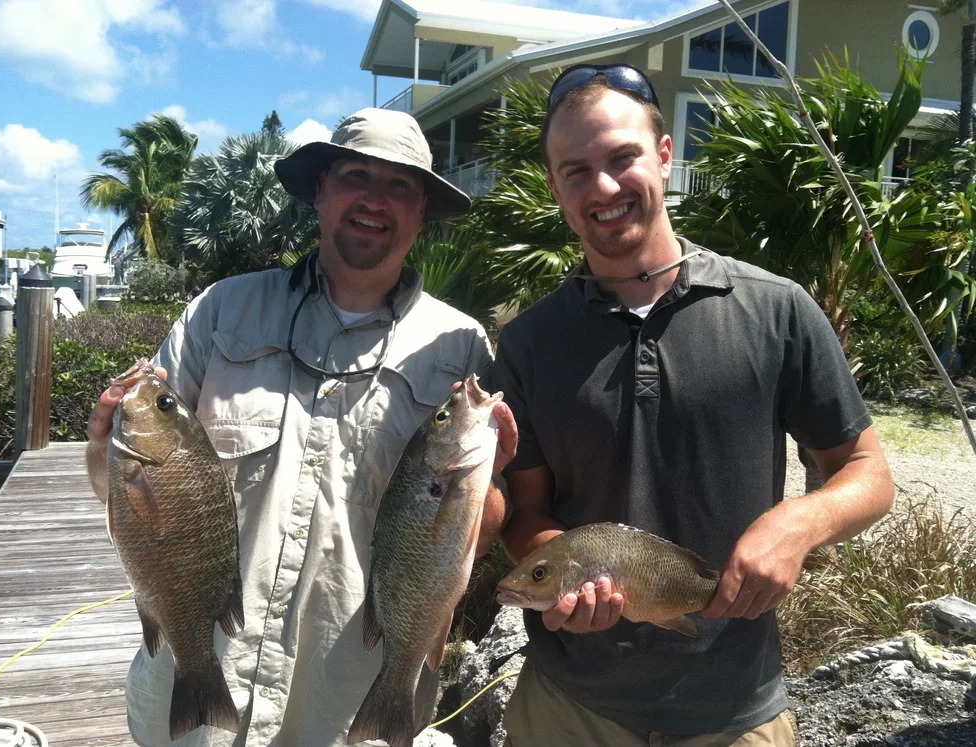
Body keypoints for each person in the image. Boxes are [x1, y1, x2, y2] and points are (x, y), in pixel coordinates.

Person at [491, 63, 895, 746]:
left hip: (733, 710)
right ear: (557, 185)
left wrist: (801, 521)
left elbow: (868, 470)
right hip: (566, 709)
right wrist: (559, 573)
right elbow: (528, 509)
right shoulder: (530, 341)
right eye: (577, 170)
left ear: (666, 154)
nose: (605, 187)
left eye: (623, 158)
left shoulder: (775, 310)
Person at [86, 107, 517, 747]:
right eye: (355, 175)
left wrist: (488, 482)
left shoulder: (460, 349)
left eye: (400, 185)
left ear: (422, 209)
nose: (375, 199)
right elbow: (125, 487)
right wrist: (104, 449)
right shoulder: (220, 310)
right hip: (203, 675)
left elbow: (471, 539)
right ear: (320, 190)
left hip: (349, 699)